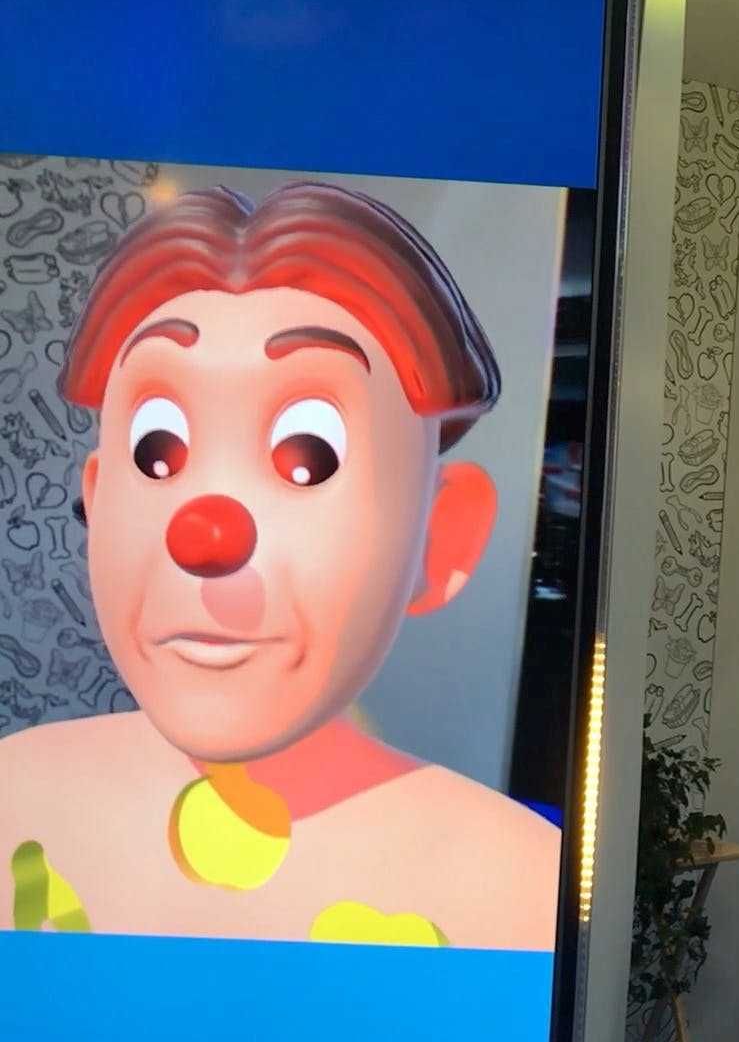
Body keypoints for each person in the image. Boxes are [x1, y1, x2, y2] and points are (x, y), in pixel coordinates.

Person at [0, 184, 558, 950]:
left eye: (309, 456)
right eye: (157, 452)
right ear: (96, 505)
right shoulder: (15, 799)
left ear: (441, 536)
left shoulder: (521, 889)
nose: (205, 534)